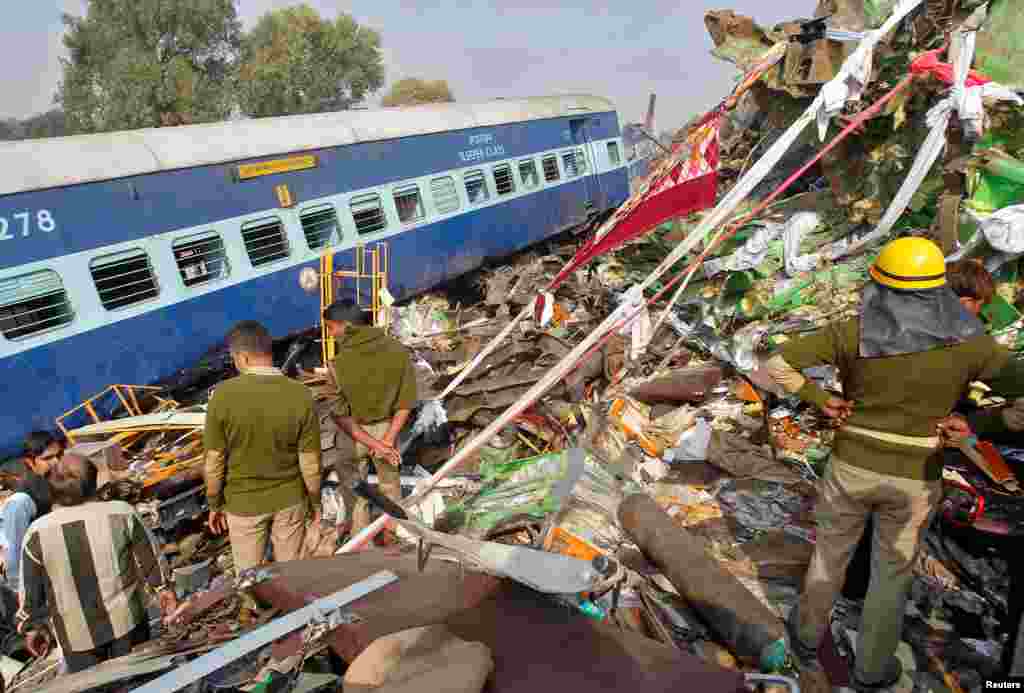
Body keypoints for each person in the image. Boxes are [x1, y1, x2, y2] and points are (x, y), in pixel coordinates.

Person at [765, 237, 1024, 690]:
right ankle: (872, 672)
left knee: (830, 556)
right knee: (892, 574)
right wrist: (979, 422)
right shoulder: (971, 344)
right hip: (915, 475)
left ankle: (805, 641)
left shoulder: (852, 331)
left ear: (879, 285)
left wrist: (821, 399)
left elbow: (777, 364)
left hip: (851, 465)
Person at [15, 453, 177, 673]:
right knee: (143, 682)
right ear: (93, 481)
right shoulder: (121, 513)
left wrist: (32, 627)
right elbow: (153, 562)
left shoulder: (35, 533)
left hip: (76, 638)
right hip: (127, 625)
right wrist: (164, 590)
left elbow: (30, 592)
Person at [203, 321, 322, 572]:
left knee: (249, 579)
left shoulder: (222, 396)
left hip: (243, 505)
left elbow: (214, 462)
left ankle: (252, 609)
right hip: (290, 500)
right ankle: (295, 608)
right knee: (293, 575)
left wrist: (213, 504)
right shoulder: (300, 394)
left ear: (242, 357)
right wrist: (315, 500)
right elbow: (310, 462)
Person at [322, 300, 417, 541]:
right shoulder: (397, 350)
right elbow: (406, 401)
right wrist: (386, 440)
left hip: (353, 435)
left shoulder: (338, 364)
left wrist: (373, 445)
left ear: (345, 326)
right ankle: (392, 535)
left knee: (355, 493)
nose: (331, 335)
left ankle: (361, 544)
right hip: (388, 430)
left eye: (331, 328)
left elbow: (340, 414)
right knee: (391, 488)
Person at [0, 432, 63, 591]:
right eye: (47, 458)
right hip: (37, 582)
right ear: (30, 462)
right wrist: (21, 591)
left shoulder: (56, 482)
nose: (56, 462)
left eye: (59, 455)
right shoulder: (21, 501)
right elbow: (14, 551)